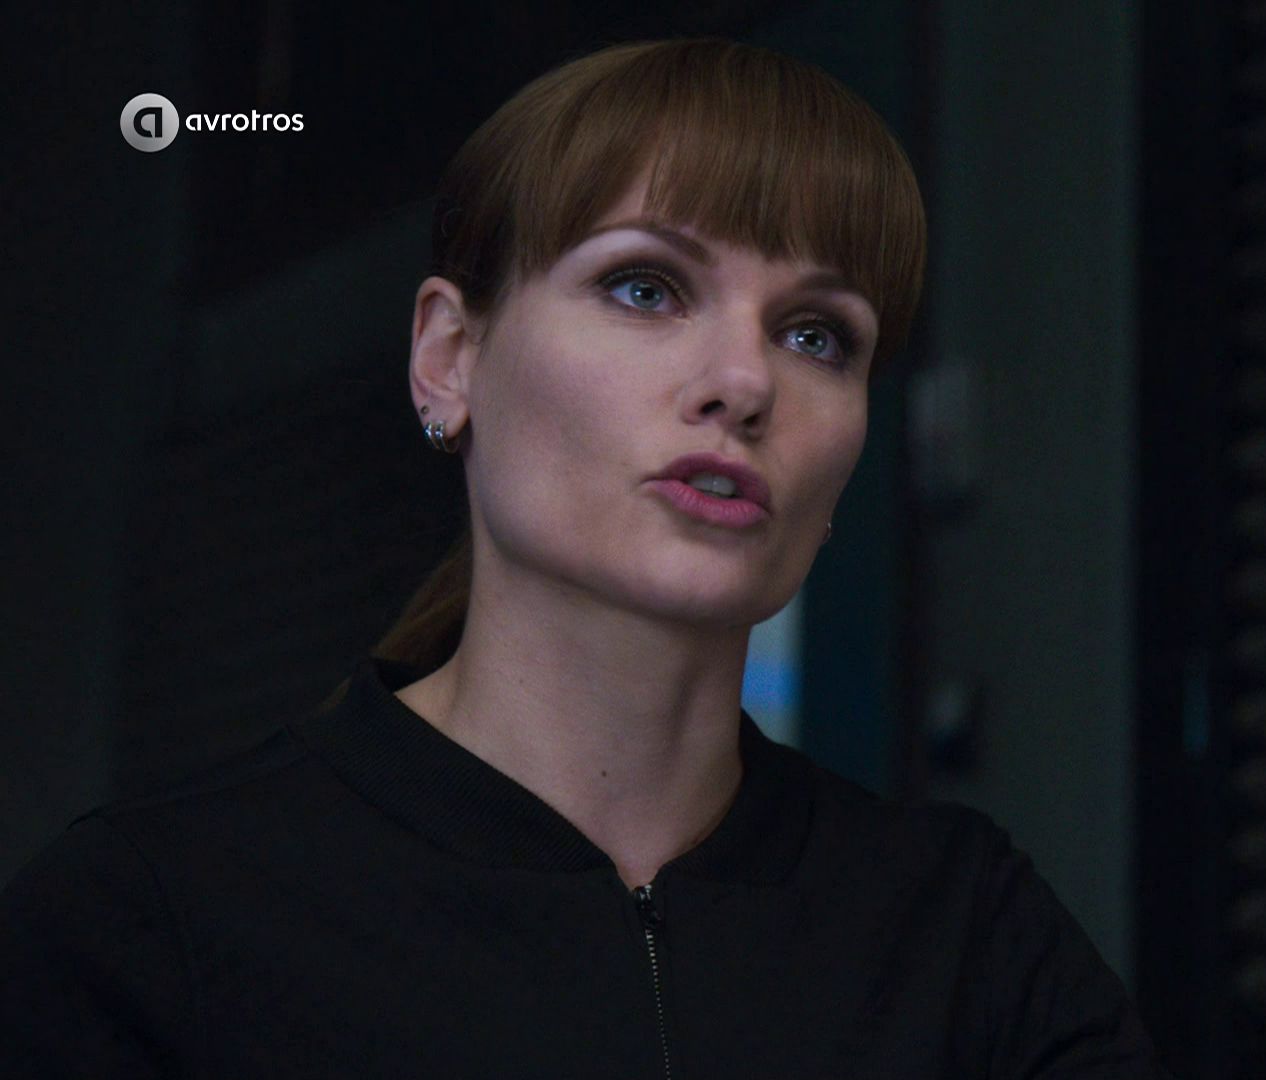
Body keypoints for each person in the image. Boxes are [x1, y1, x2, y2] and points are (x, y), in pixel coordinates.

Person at [0, 37, 1175, 1078]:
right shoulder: (150, 919)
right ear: (449, 359)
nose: (745, 382)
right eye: (645, 286)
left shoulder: (965, 937)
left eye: (818, 336)